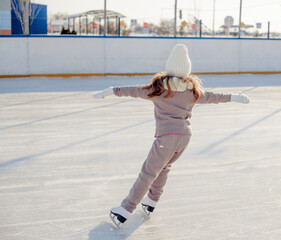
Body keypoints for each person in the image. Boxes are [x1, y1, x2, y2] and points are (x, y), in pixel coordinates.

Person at [92, 44, 250, 227]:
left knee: (148, 173)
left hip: (167, 138)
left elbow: (133, 90)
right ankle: (151, 201)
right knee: (164, 168)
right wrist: (235, 97)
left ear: (169, 68)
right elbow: (214, 97)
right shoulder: (193, 92)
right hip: (185, 137)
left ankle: (125, 209)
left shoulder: (157, 90)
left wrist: (111, 91)